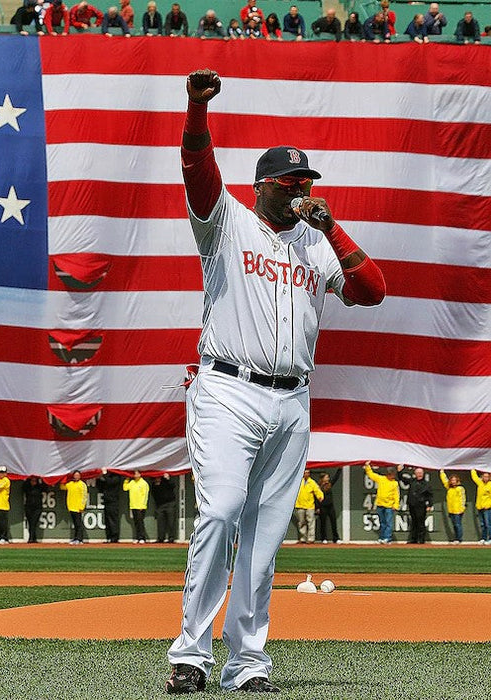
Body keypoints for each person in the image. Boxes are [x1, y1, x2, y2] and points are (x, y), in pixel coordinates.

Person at [165, 69, 385, 695]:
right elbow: (197, 172)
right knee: (222, 510)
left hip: (292, 398)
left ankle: (248, 662)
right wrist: (196, 110)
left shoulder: (317, 244)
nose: (301, 191)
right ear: (262, 186)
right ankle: (191, 651)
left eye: (307, 182)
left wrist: (330, 227)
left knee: (265, 536)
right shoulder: (227, 223)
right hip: (228, 389)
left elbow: (373, 292)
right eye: (290, 183)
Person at [364, 463, 400, 544]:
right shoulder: (381, 479)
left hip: (389, 506)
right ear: (388, 474)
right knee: (382, 522)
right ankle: (382, 537)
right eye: (391, 474)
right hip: (380, 504)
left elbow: (396, 495)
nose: (393, 476)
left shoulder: (395, 483)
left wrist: (396, 505)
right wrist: (367, 466)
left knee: (388, 523)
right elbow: (371, 475)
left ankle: (387, 538)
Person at [398, 467, 432, 544]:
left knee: (420, 522)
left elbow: (430, 495)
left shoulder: (426, 484)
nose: (419, 474)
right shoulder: (412, 481)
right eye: (418, 473)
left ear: (423, 474)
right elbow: (402, 479)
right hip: (412, 504)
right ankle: (413, 539)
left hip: (421, 505)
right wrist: (399, 471)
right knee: (414, 522)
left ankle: (421, 539)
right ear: (415, 474)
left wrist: (429, 505)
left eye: (420, 473)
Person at [293, 469, 323, 544]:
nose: (306, 474)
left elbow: (317, 490)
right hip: (300, 505)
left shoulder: (312, 482)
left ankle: (311, 538)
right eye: (305, 473)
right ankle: (303, 538)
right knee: (301, 522)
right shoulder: (298, 481)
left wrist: (320, 496)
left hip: (310, 505)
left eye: (308, 473)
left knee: (311, 522)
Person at [96, 468, 123, 543]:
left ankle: (114, 537)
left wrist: (104, 475)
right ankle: (109, 536)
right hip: (106, 500)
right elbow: (101, 487)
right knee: (107, 520)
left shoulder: (116, 476)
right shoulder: (107, 477)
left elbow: (111, 482)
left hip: (113, 501)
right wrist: (99, 479)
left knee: (113, 519)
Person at [60, 470, 87, 544]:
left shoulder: (82, 484)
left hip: (78, 507)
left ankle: (80, 539)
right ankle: (76, 538)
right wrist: (63, 477)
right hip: (71, 507)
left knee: (78, 524)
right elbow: (62, 487)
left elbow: (84, 496)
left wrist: (82, 507)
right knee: (75, 524)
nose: (76, 476)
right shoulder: (70, 484)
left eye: (78, 475)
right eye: (75, 475)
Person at [439, 470, 466, 543]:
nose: (453, 482)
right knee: (454, 525)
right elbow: (444, 480)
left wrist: (462, 508)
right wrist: (442, 472)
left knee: (458, 525)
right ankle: (456, 538)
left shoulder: (460, 488)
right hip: (451, 510)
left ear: (457, 481)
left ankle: (459, 539)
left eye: (454, 480)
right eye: (452, 480)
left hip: (458, 510)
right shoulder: (449, 488)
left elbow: (463, 498)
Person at [123, 470, 150, 543]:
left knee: (140, 523)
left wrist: (143, 505)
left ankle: (142, 538)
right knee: (136, 523)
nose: (135, 475)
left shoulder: (144, 483)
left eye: (137, 473)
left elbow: (145, 496)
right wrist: (127, 479)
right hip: (133, 506)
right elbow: (125, 488)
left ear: (140, 474)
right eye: (134, 474)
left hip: (140, 507)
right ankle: (138, 537)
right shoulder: (132, 482)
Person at [315, 470, 342, 543]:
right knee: (323, 524)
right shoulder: (318, 486)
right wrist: (317, 507)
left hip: (330, 506)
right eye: (327, 477)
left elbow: (335, 478)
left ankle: (336, 538)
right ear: (323, 478)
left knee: (333, 523)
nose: (328, 479)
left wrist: (340, 469)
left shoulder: (329, 485)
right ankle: (323, 538)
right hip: (322, 507)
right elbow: (316, 497)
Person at [151, 474, 177, 543]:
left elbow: (173, 485)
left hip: (170, 504)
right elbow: (154, 494)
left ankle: (171, 538)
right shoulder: (154, 485)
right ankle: (160, 538)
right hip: (160, 505)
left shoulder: (166, 482)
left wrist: (168, 479)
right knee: (160, 522)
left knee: (171, 521)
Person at [22, 476, 47, 543]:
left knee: (34, 522)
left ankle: (31, 538)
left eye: (35, 481)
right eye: (32, 481)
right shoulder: (27, 487)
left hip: (37, 507)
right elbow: (23, 488)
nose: (33, 482)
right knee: (30, 522)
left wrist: (41, 480)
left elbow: (45, 488)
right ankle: (34, 538)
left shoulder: (39, 487)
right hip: (28, 507)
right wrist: (26, 479)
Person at [470, 469, 491, 544]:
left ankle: (490, 538)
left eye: (487, 477)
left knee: (488, 524)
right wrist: (473, 468)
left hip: (487, 507)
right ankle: (483, 538)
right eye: (484, 476)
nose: (485, 478)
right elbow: (474, 477)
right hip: (480, 506)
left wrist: (488, 505)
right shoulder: (480, 483)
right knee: (482, 524)